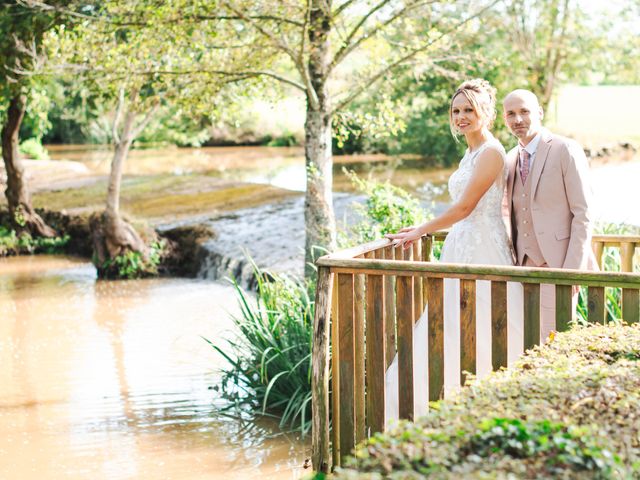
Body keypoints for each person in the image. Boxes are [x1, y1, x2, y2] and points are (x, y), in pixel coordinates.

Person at [384, 79, 523, 422]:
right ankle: (450, 408)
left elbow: (465, 208)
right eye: (456, 110)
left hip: (483, 248)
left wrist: (421, 229)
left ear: (485, 113)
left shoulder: (491, 152)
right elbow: (462, 212)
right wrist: (427, 228)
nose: (461, 116)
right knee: (451, 326)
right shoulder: (470, 151)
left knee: (482, 327)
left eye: (469, 110)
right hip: (461, 244)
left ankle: (486, 410)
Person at [502, 89, 597, 341]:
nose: (518, 119)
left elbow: (584, 213)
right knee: (525, 341)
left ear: (540, 113)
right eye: (511, 114)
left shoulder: (565, 149)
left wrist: (571, 271)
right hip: (521, 268)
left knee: (556, 341)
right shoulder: (510, 158)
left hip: (559, 264)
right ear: (504, 119)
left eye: (524, 111)